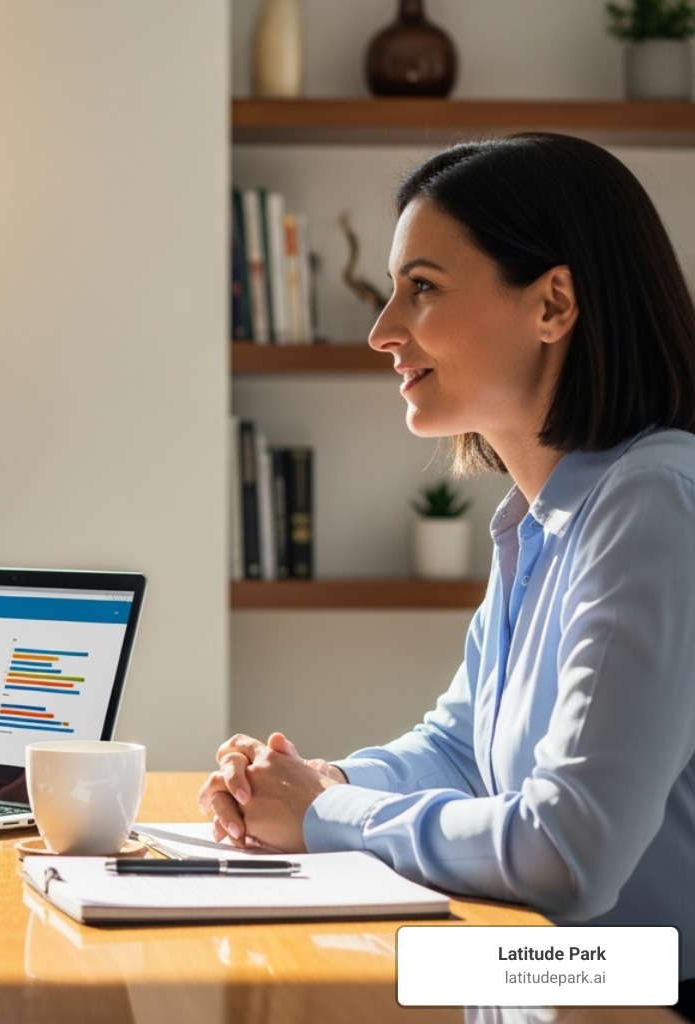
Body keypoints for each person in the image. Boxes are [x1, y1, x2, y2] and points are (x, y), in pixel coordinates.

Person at [198, 133, 695, 996]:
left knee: (313, 985)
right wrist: (320, 781)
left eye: (421, 289)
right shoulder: (541, 520)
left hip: (637, 990)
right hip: (565, 980)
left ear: (553, 305)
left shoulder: (653, 502)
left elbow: (568, 853)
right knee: (257, 962)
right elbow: (462, 748)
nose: (382, 331)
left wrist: (321, 816)